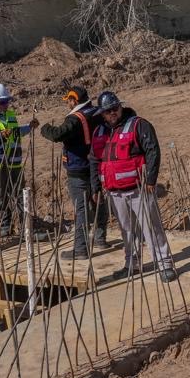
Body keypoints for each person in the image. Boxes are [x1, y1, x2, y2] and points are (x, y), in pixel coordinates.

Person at [89, 91, 177, 283]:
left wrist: (151, 180)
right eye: (108, 111)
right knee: (127, 230)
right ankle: (132, 264)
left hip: (139, 188)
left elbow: (153, 150)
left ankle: (164, 264)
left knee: (151, 227)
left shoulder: (138, 125)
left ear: (120, 107)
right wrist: (96, 187)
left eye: (115, 109)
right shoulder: (100, 132)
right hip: (114, 192)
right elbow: (94, 161)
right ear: (102, 114)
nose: (112, 113)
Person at [40, 84, 109, 259]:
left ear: (74, 100)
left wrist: (45, 128)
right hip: (96, 165)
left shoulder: (75, 118)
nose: (67, 104)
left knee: (82, 208)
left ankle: (80, 249)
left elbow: (58, 134)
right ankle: (100, 238)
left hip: (79, 168)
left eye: (68, 101)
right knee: (98, 199)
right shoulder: (96, 112)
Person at [0, 83, 41, 239]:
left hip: (14, 163)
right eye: (3, 102)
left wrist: (29, 127)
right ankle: (5, 226)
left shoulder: (10, 116)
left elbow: (16, 132)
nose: (6, 105)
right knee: (1, 197)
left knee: (21, 196)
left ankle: (25, 227)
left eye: (7, 101)